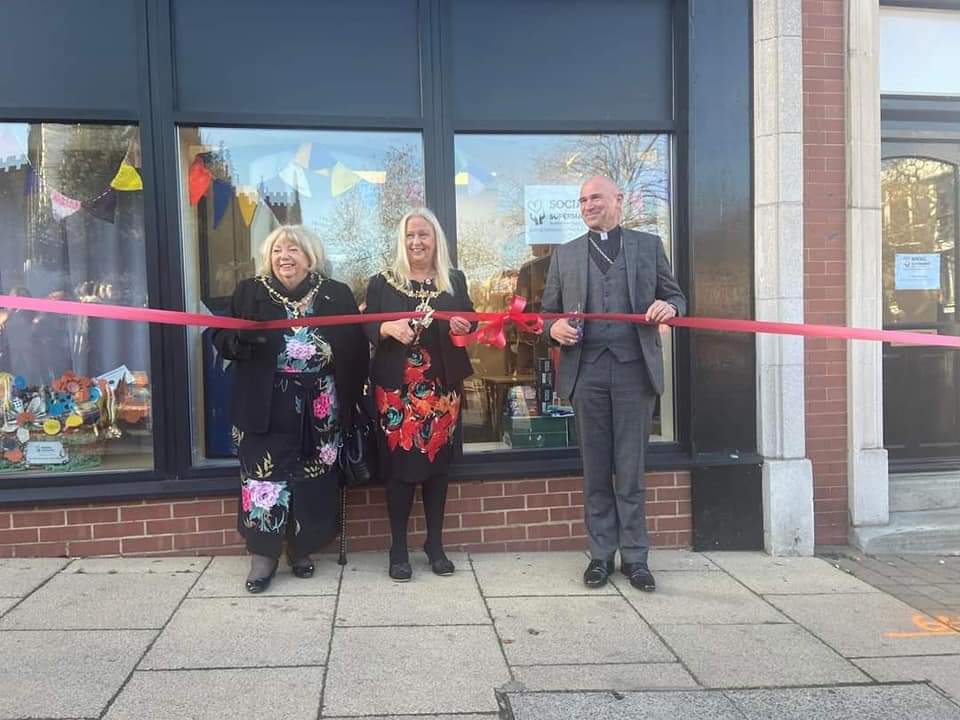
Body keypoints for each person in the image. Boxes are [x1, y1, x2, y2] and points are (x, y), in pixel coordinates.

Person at [541, 175, 686, 591]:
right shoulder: (565, 255)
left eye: (596, 198)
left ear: (617, 200)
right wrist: (554, 330)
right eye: (582, 199)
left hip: (633, 372)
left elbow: (677, 298)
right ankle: (601, 556)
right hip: (586, 374)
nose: (588, 205)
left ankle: (636, 559)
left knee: (631, 470)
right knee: (595, 470)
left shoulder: (648, 246)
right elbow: (546, 314)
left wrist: (668, 306)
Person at [213, 225, 367, 593]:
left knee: (314, 475)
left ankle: (302, 547)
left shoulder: (336, 293)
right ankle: (263, 556)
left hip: (321, 404)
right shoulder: (250, 292)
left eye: (294, 250)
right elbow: (220, 339)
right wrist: (239, 340)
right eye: (278, 250)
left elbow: (357, 348)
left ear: (310, 255)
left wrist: (353, 397)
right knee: (264, 478)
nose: (285, 257)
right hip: (265, 403)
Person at [364, 208, 475, 582]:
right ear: (401, 239)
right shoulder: (383, 282)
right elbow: (364, 324)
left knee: (437, 469)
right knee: (400, 470)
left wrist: (463, 325)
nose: (416, 242)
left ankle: (435, 544)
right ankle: (398, 547)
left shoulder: (453, 280)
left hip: (442, 392)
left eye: (424, 235)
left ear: (435, 239)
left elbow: (470, 322)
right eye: (410, 235)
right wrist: (385, 327)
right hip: (396, 391)